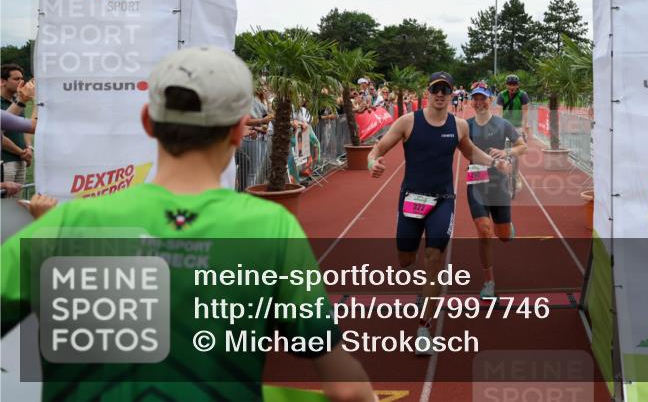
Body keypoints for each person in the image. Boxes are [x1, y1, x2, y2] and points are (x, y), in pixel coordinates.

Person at [0, 46, 374, 402]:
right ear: (239, 130)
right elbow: (345, 388)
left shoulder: (63, 225)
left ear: (148, 121)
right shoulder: (270, 226)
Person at [367, 71, 509, 354]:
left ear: (452, 93)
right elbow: (378, 149)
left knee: (434, 260)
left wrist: (495, 163)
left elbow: (471, 153)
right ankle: (421, 287)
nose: (441, 94)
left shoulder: (458, 126)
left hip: (443, 200)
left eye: (446, 90)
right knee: (406, 260)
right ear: (428, 92)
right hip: (411, 200)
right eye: (436, 90)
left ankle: (424, 327)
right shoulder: (408, 122)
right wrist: (373, 162)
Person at [465, 83, 527, 299]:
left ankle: (506, 227)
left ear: (490, 100)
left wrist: (507, 151)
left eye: (483, 98)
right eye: (476, 98)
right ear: (471, 101)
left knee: (502, 237)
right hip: (476, 183)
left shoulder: (502, 124)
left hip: (499, 184)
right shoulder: (466, 125)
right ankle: (489, 282)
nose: (479, 102)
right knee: (484, 230)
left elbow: (523, 146)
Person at [1, 64, 32, 188]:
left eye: (21, 79)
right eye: (16, 79)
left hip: (21, 160)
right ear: (2, 81)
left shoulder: (18, 101)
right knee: (4, 203)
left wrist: (29, 148)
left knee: (16, 203)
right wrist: (21, 152)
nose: (21, 82)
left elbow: (27, 127)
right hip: (5, 161)